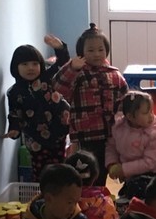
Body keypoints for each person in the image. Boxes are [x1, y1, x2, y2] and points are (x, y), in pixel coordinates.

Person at [51, 24, 128, 184]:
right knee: (85, 171)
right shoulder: (78, 73)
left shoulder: (114, 74)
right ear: (82, 52)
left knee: (103, 170)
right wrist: (72, 68)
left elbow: (124, 100)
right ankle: (85, 194)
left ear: (106, 50)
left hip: (109, 134)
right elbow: (58, 86)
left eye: (100, 49)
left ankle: (99, 194)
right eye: (91, 50)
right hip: (85, 135)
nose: (96, 54)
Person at [4, 42, 71, 181]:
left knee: (60, 168)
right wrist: (14, 130)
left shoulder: (46, 77)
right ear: (16, 67)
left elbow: (62, 63)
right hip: (35, 138)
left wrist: (60, 48)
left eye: (35, 64)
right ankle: (42, 193)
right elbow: (14, 113)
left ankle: (60, 190)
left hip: (58, 131)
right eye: (25, 64)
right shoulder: (14, 92)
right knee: (40, 171)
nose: (31, 68)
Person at [106, 90, 156, 205]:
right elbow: (111, 147)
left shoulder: (153, 131)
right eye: (145, 113)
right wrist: (112, 164)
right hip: (131, 177)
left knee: (136, 194)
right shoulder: (119, 128)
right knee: (127, 195)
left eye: (151, 111)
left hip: (153, 176)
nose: (151, 116)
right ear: (130, 116)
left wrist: (123, 169)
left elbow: (150, 162)